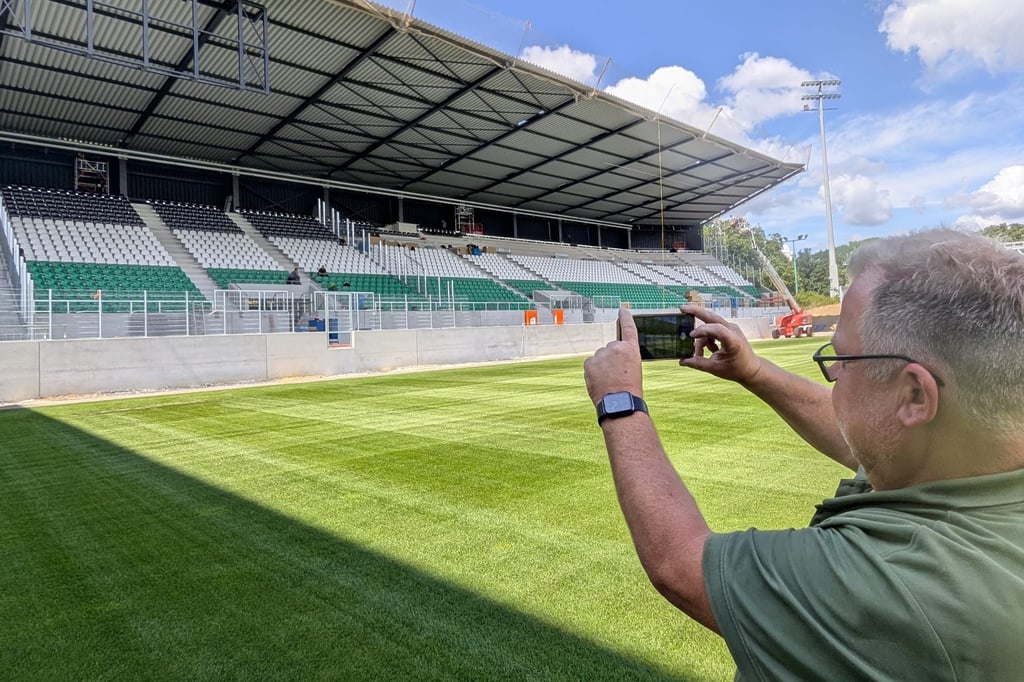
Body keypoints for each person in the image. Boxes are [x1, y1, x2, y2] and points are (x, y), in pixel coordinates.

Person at [583, 228, 1024, 680]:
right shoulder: (975, 462)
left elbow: (681, 564)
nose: (832, 373)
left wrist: (619, 401)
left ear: (915, 396)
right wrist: (753, 371)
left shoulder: (898, 579)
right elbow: (872, 433)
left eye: (843, 358)